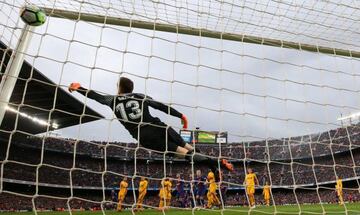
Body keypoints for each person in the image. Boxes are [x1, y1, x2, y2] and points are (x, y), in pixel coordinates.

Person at [68, 78, 233, 174]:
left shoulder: (112, 99)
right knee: (189, 148)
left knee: (184, 154)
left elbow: (95, 96)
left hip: (145, 136)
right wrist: (180, 115)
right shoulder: (140, 96)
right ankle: (214, 167)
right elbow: (160, 106)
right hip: (159, 125)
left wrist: (79, 88)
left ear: (119, 88)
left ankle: (216, 163)